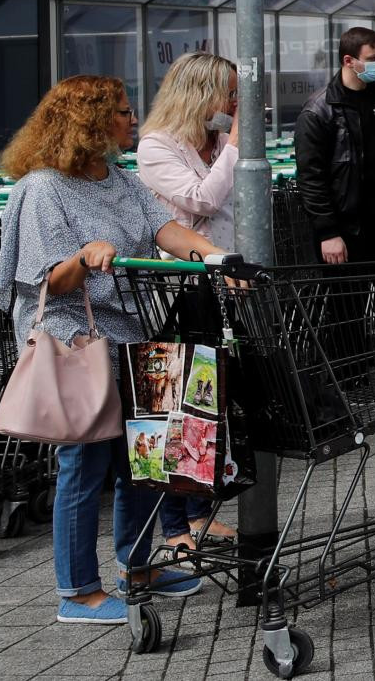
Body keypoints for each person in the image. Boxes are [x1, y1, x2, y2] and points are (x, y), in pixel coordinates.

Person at [0, 75, 229, 623]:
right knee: (85, 463)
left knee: (146, 458)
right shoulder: (43, 187)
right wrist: (86, 254)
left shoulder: (117, 178)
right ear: (89, 123)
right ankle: (76, 592)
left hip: (135, 331)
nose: (132, 120)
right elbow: (51, 280)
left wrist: (214, 255)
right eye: (122, 112)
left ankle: (138, 565)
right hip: (80, 340)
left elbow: (164, 228)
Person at [137, 51, 241, 553]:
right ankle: (174, 525)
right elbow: (202, 198)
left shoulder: (218, 141)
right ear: (202, 92)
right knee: (173, 404)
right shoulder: (158, 146)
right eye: (230, 92)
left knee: (210, 398)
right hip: (177, 287)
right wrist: (239, 146)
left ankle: (201, 512)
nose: (236, 102)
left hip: (220, 282)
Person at [295, 27, 375, 264]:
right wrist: (328, 232)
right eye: (372, 59)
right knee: (349, 298)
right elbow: (311, 177)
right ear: (348, 60)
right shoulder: (319, 111)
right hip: (349, 228)